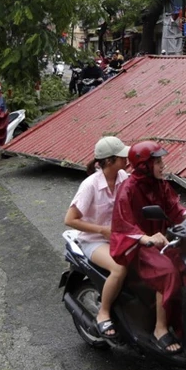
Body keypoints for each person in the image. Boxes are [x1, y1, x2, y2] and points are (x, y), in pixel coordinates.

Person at [110, 141, 186, 354]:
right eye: (158, 161)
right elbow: (122, 225)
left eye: (162, 161)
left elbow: (176, 210)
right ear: (144, 165)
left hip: (161, 242)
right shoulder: (128, 189)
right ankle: (159, 329)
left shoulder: (160, 184)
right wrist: (145, 238)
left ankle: (181, 321)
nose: (163, 165)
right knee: (168, 272)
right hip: (137, 246)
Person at [64, 136, 131, 338]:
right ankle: (104, 313)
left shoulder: (123, 177)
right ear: (109, 161)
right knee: (119, 268)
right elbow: (70, 219)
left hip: (119, 237)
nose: (126, 160)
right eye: (122, 157)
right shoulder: (90, 185)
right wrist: (102, 230)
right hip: (94, 241)